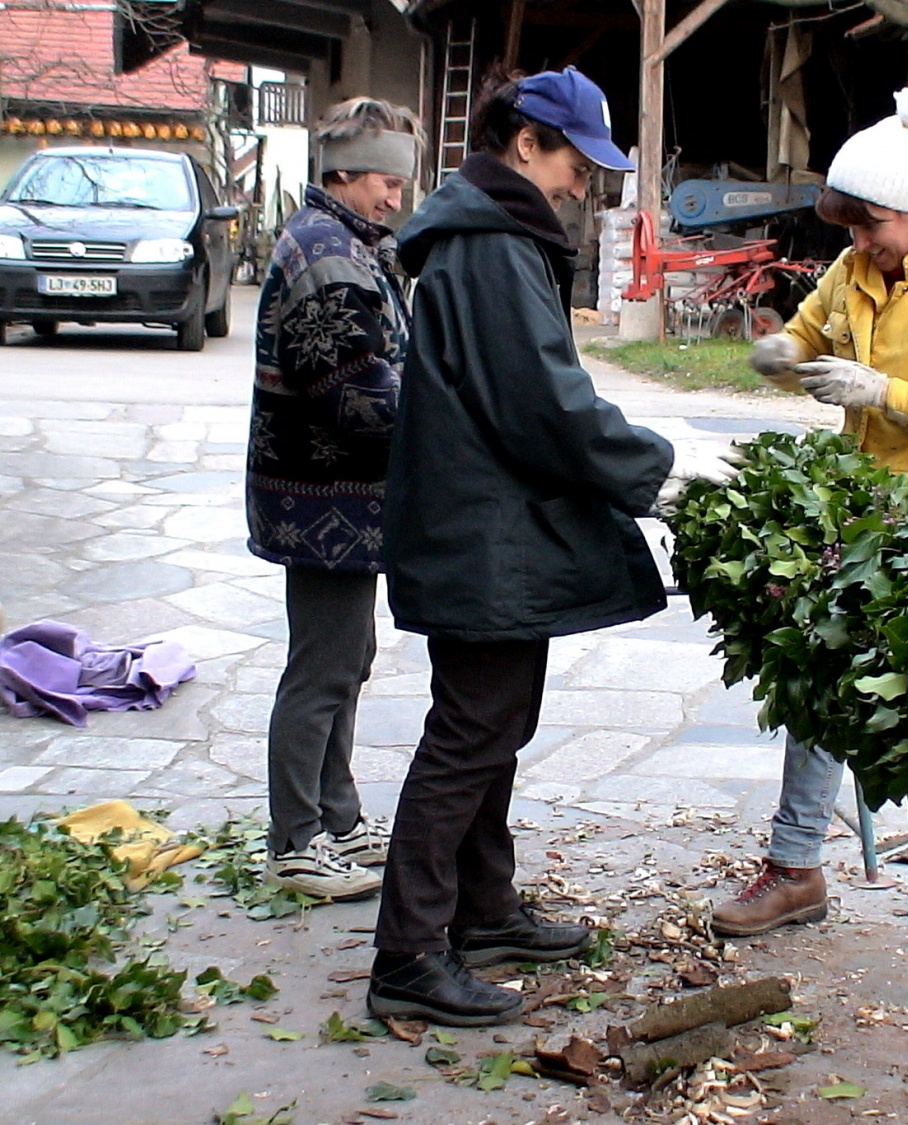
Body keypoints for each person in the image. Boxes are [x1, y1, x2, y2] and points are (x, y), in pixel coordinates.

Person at [366, 66, 740, 1027]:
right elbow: (543, 402)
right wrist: (660, 467)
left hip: (483, 525)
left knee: (493, 721)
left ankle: (483, 910)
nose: (585, 185)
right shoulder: (490, 246)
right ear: (526, 143)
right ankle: (409, 952)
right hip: (479, 530)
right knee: (470, 733)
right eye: (578, 163)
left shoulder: (490, 234)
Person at [711, 88, 908, 946]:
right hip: (860, 516)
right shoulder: (852, 271)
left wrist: (884, 392)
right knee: (819, 688)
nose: (857, 245)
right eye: (849, 229)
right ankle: (795, 866)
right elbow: (811, 339)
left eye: (870, 228)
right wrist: (783, 355)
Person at [246, 97, 423, 902]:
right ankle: (295, 840)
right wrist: (446, 418)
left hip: (340, 503)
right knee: (322, 668)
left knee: (347, 659)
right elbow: (354, 395)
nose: (396, 198)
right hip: (321, 500)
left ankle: (338, 819)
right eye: (387, 181)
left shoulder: (344, 240)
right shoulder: (326, 254)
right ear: (345, 173)